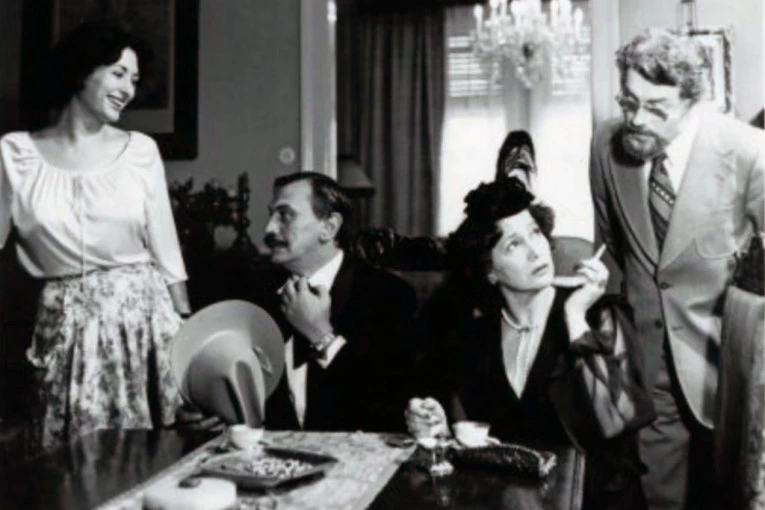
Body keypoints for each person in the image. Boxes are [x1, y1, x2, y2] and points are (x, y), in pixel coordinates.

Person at [589, 28, 765, 509]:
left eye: (656, 107)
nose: (636, 119)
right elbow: (612, 248)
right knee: (658, 498)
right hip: (646, 363)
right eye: (629, 101)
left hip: (727, 363)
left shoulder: (749, 151)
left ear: (692, 101)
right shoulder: (606, 145)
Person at [0, 21, 191, 450]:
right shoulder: (13, 154)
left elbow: (168, 256)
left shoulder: (141, 151)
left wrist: (189, 347)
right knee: (67, 461)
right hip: (61, 328)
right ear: (81, 70)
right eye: (119, 73)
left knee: (147, 457)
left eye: (135, 80)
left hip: (142, 324)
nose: (128, 90)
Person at [408, 179, 655, 510]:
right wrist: (440, 430)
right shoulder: (475, 339)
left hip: (596, 501)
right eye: (514, 244)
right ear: (489, 270)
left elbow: (615, 422)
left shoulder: (599, 315)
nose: (536, 250)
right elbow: (482, 445)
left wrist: (575, 317)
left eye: (535, 233)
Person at [247, 171, 417, 432]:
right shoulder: (256, 292)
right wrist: (213, 409)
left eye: (285, 215)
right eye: (271, 215)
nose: (269, 229)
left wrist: (321, 336)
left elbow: (392, 407)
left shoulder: (388, 296)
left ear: (329, 227)